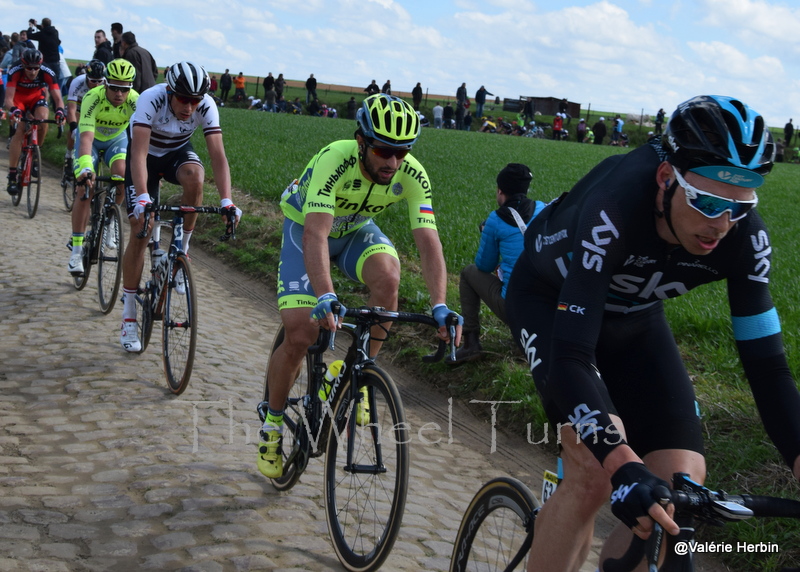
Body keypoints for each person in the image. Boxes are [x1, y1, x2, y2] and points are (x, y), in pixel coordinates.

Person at [504, 95, 800, 572]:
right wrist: (623, 463)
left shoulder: (745, 238)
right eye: (707, 201)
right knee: (595, 471)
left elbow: (768, 369)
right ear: (667, 179)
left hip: (636, 318)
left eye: (740, 206)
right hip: (552, 303)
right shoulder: (614, 208)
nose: (721, 225)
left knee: (680, 490)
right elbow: (573, 356)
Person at [257, 93, 462, 479]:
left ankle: (356, 372)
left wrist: (439, 304)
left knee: (389, 277)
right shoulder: (335, 158)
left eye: (402, 152)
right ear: (363, 141)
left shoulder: (412, 173)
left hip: (354, 231)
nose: (393, 162)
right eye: (384, 150)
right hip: (308, 229)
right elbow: (317, 234)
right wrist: (326, 295)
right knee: (301, 332)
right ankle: (271, 423)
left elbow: (428, 241)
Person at [118, 61, 241, 352]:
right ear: (170, 92)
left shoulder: (206, 105)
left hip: (175, 153)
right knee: (141, 228)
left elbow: (218, 157)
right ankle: (129, 315)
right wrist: (144, 197)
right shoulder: (152, 98)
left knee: (195, 176)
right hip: (144, 157)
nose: (190, 107)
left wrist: (227, 199)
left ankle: (181, 250)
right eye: (184, 99)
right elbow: (138, 154)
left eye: (195, 100)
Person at [447, 163, 545, 365]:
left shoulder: (495, 220)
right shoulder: (544, 209)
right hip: (548, 305)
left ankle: (471, 343)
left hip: (515, 307)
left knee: (468, 273)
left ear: (500, 191)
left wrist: (487, 233)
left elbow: (484, 265)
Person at [68, 59, 138, 275]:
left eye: (124, 89)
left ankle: (109, 221)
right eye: (114, 88)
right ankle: (76, 251)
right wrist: (86, 170)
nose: (119, 94)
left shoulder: (136, 101)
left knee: (123, 175)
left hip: (116, 141)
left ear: (130, 89)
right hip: (91, 139)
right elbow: (86, 137)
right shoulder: (93, 97)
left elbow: (142, 140)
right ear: (106, 84)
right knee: (84, 189)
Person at [4, 48, 65, 195]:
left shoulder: (47, 71)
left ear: (40, 65)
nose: (32, 71)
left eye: (36, 68)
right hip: (18, 99)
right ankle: (12, 176)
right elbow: (8, 100)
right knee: (19, 130)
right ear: (23, 65)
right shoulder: (15, 70)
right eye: (29, 68)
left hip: (36, 98)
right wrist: (14, 110)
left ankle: (36, 155)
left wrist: (59, 111)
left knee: (42, 119)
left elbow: (58, 99)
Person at [64, 59, 107, 185]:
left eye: (100, 81)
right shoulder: (77, 82)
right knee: (76, 127)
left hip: (95, 105)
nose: (97, 84)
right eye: (93, 81)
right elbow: (71, 109)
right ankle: (69, 155)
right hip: (79, 104)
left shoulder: (105, 83)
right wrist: (73, 127)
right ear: (87, 77)